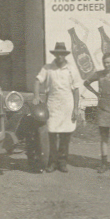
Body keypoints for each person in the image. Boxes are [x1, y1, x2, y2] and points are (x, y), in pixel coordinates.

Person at [33, 42, 80, 173]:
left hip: (67, 106)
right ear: (54, 54)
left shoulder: (71, 69)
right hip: (52, 105)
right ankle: (52, 163)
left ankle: (62, 162)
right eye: (57, 54)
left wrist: (76, 108)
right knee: (52, 135)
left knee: (65, 136)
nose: (60, 56)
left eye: (62, 54)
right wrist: (36, 96)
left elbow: (76, 90)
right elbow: (37, 81)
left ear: (65, 55)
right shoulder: (47, 68)